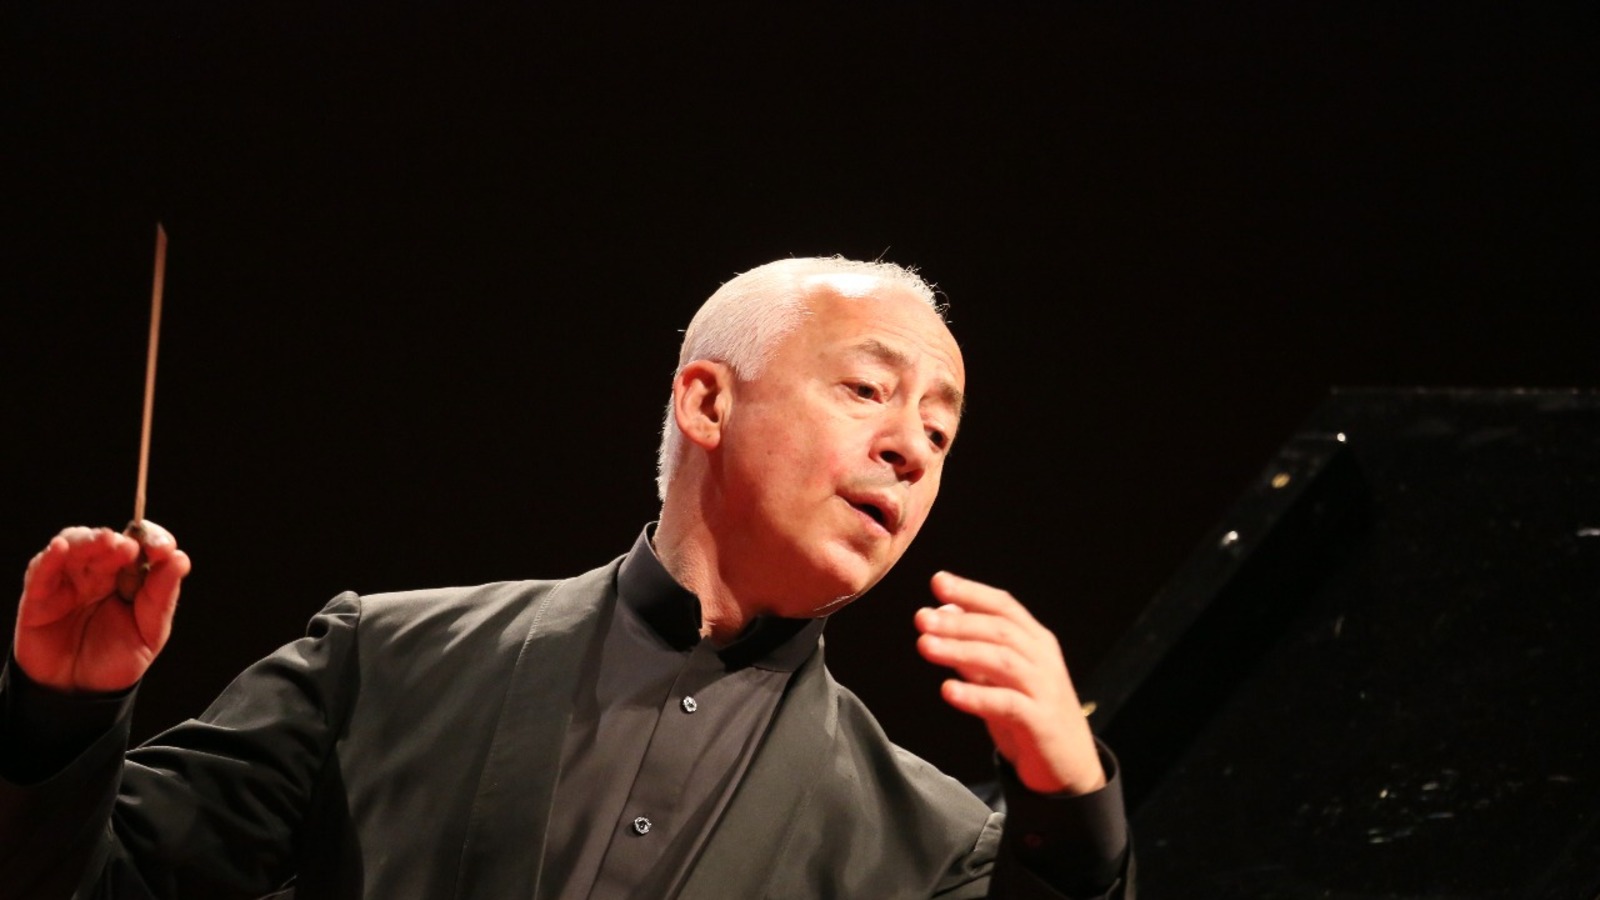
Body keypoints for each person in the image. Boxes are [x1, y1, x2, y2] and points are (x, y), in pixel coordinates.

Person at [1, 257, 1132, 898]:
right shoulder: (381, 659)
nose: (911, 449)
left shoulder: (931, 845)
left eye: (940, 430)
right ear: (707, 401)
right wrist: (63, 717)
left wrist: (1074, 814)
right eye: (868, 391)